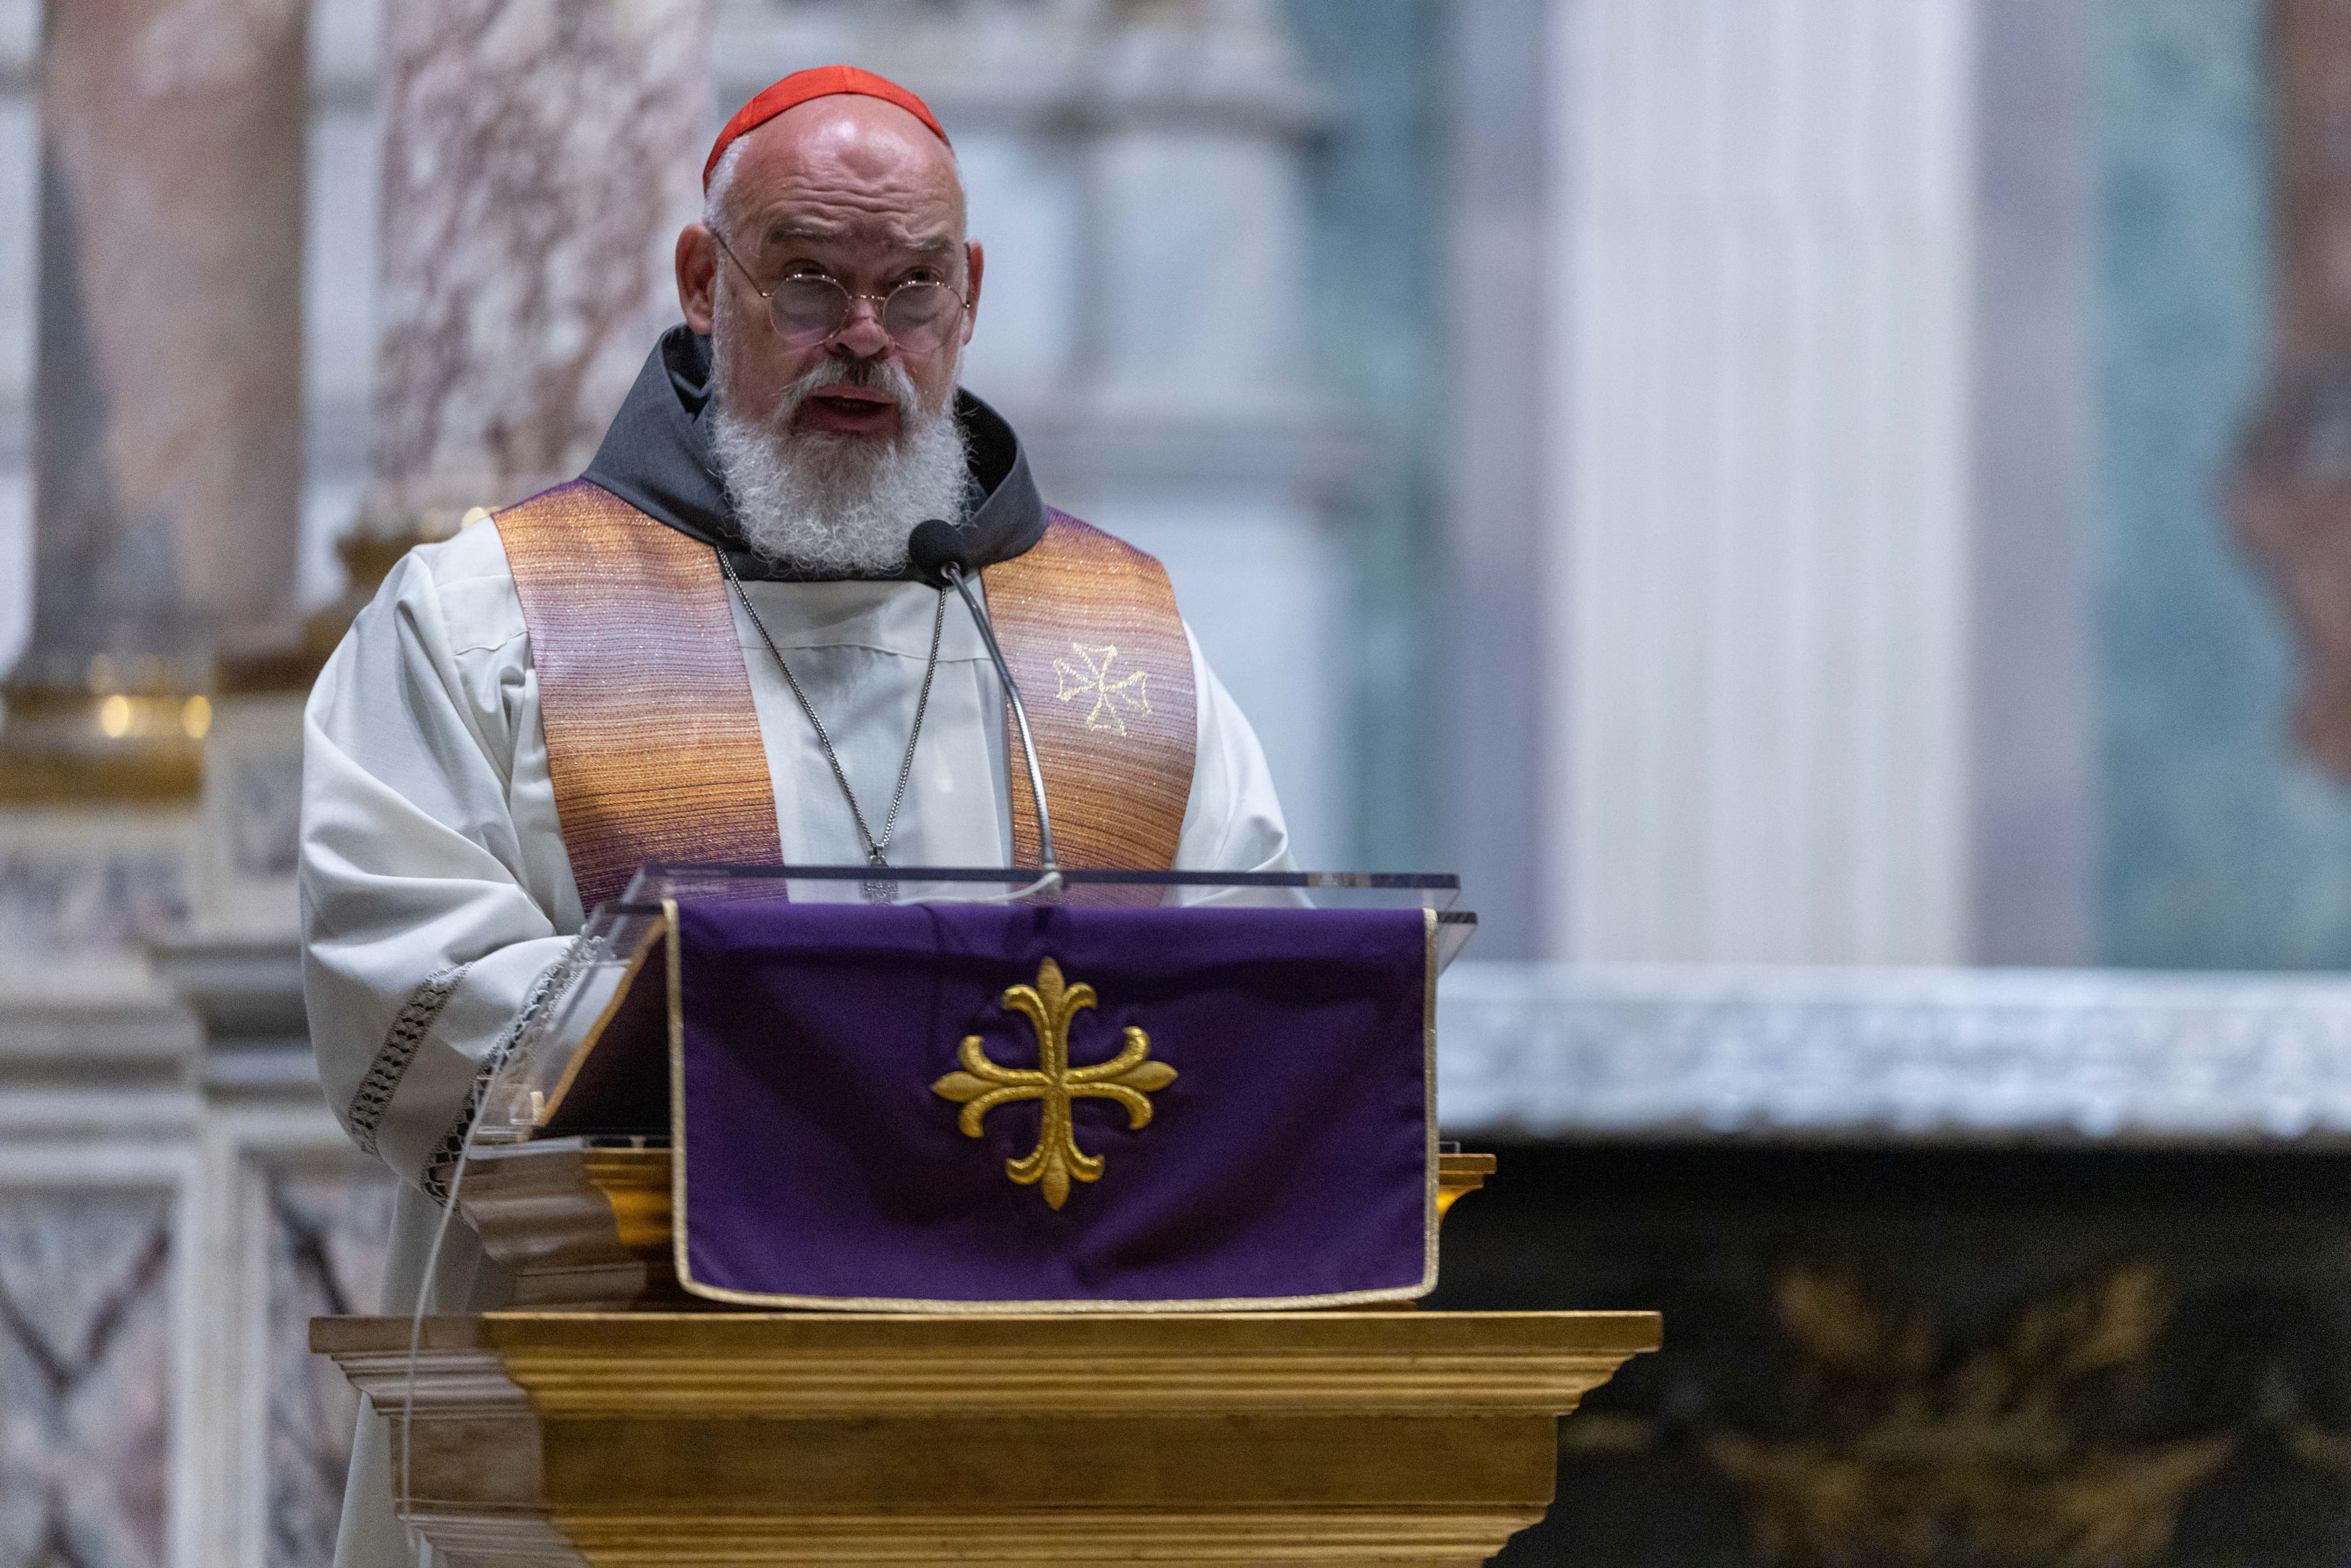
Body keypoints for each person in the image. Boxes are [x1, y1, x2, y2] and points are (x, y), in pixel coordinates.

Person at [301, 66, 1292, 1568]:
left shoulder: (1120, 642)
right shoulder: (491, 613)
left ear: (970, 302)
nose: (867, 341)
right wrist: (801, 1070)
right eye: (812, 282)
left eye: (914, 288)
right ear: (707, 284)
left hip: (1034, 1440)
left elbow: (1256, 984)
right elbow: (404, 970)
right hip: (623, 1435)